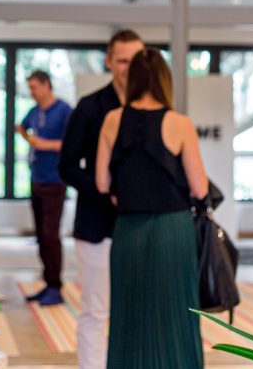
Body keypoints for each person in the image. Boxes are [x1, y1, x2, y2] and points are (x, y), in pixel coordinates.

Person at [95, 49, 208, 369]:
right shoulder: (180, 123)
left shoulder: (112, 119)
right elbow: (200, 188)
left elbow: (102, 183)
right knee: (175, 314)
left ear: (132, 79)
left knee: (129, 315)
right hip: (173, 230)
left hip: (128, 229)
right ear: (164, 79)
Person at [59, 29, 145, 369]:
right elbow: (67, 166)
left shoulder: (154, 108)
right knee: (95, 311)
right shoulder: (89, 107)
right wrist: (105, 192)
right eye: (123, 61)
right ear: (109, 62)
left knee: (137, 312)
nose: (130, 68)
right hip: (96, 225)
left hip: (142, 226)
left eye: (136, 60)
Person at [17, 70, 72, 306]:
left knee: (51, 235)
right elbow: (21, 127)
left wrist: (45, 145)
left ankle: (55, 286)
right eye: (29, 88)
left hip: (55, 181)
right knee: (41, 235)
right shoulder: (35, 111)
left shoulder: (63, 110)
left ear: (47, 85)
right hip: (36, 179)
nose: (31, 92)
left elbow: (72, 143)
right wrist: (31, 141)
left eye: (34, 87)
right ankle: (48, 282)